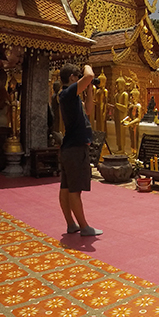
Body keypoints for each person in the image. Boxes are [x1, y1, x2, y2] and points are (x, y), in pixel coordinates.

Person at [58, 63, 102, 237]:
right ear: (72, 78)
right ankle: (84, 227)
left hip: (71, 147)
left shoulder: (72, 97)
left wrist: (89, 89)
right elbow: (89, 75)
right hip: (75, 148)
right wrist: (87, 65)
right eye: (78, 77)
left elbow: (89, 110)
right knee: (75, 190)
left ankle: (71, 224)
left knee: (66, 187)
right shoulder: (67, 93)